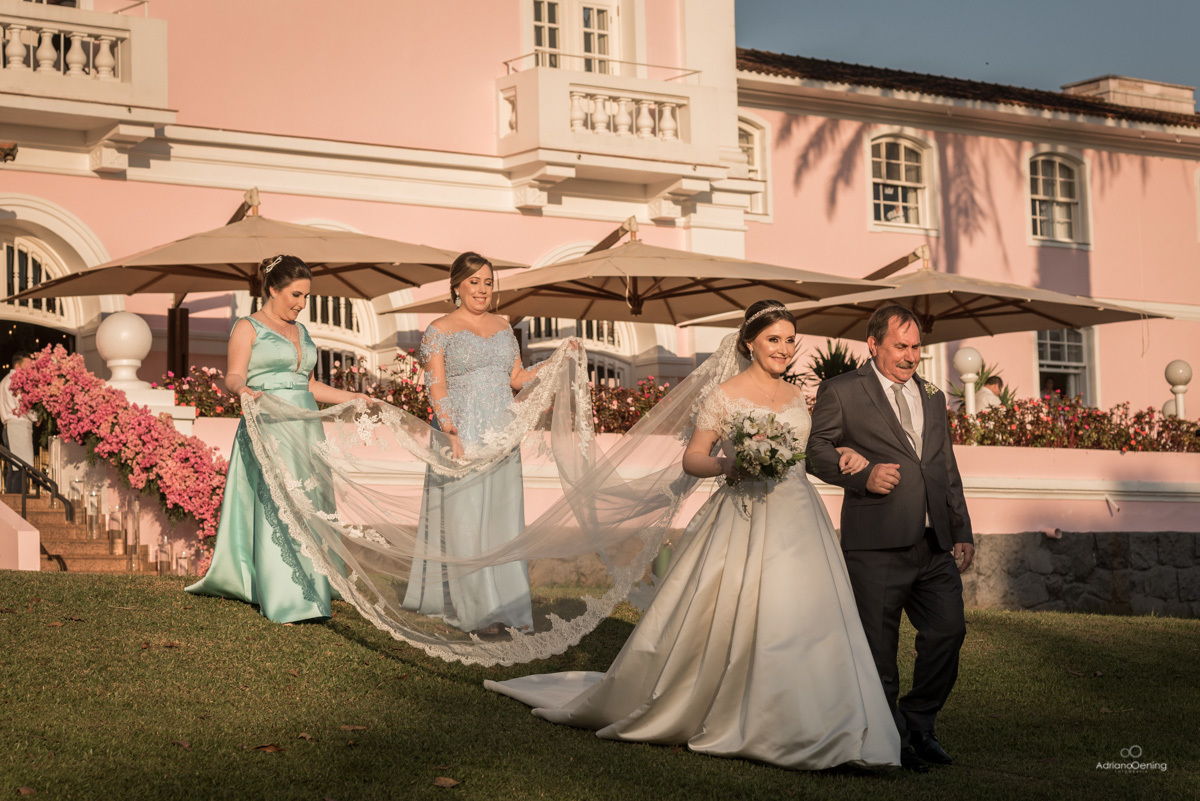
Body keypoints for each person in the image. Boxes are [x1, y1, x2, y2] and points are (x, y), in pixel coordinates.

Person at [485, 300, 902, 771]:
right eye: (773, 339)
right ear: (750, 342)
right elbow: (694, 458)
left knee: (808, 614)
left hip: (800, 515)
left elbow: (809, 450)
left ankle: (820, 716)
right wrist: (730, 464)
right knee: (736, 611)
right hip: (744, 512)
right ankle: (742, 709)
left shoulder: (797, 396)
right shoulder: (723, 395)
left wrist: (844, 452)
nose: (784, 349)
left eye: (789, 339)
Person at [807, 303, 974, 773]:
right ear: (873, 344)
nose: (910, 356)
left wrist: (960, 528)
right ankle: (892, 741)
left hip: (934, 542)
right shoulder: (842, 390)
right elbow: (815, 450)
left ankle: (919, 721)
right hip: (875, 543)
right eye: (900, 346)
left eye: (916, 346)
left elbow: (944, 465)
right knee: (879, 652)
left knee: (948, 631)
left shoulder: (934, 395)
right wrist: (861, 477)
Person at [186, 255, 368, 623]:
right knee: (278, 502)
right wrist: (245, 392)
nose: (302, 304)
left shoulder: (301, 332)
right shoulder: (247, 327)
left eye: (306, 297)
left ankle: (317, 587)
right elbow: (232, 376)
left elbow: (309, 384)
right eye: (296, 295)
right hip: (267, 421)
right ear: (273, 289)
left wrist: (355, 398)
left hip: (305, 425)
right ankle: (285, 596)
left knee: (310, 501)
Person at [402, 252, 549, 635]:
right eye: (474, 282)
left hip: (502, 433)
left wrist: (552, 366)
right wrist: (450, 432)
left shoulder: (504, 326)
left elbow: (516, 378)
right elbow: (437, 385)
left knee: (503, 519)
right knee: (465, 521)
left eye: (488, 282)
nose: (482, 289)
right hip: (462, 433)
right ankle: (476, 610)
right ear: (456, 286)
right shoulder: (439, 329)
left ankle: (507, 604)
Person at [1, 352, 37, 493]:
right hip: (17, 425)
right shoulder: (14, 380)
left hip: (10, 426)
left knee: (13, 468)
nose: (30, 369)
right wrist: (36, 417)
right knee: (20, 467)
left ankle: (11, 504)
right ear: (17, 366)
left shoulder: (4, 381)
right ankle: (17, 503)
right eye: (27, 365)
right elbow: (23, 404)